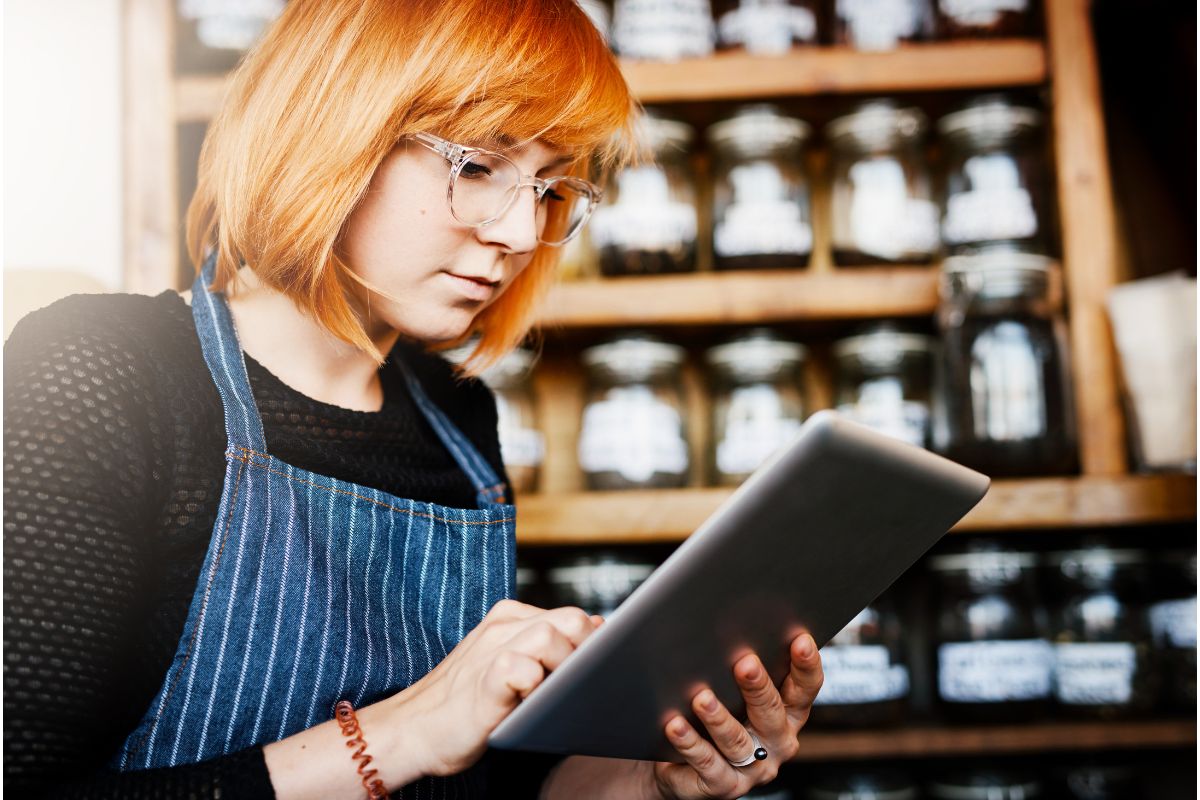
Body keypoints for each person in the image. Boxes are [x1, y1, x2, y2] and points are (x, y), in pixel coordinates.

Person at [2, 1, 824, 797]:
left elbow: (478, 773)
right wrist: (397, 734)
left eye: (548, 187)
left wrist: (655, 778)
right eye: (476, 165)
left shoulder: (456, 414)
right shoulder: (100, 370)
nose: (515, 233)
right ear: (333, 128)